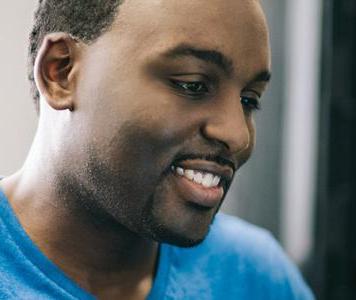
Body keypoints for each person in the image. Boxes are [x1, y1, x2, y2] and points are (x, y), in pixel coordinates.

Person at [0, 0, 314, 299]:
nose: (237, 135)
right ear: (61, 72)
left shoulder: (254, 275)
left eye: (249, 100)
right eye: (192, 84)